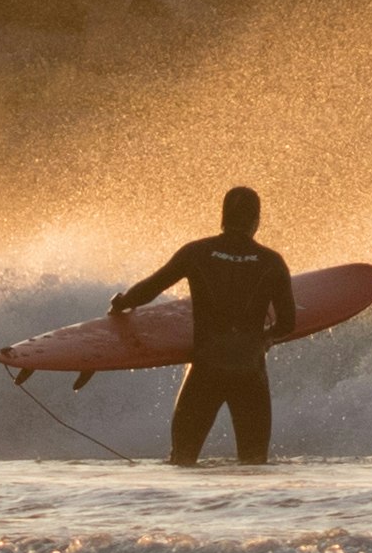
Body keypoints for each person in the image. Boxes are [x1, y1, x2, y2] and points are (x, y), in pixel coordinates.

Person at [114, 185, 300, 468]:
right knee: (253, 465)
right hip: (250, 372)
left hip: (207, 370)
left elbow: (150, 289)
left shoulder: (197, 253)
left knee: (182, 462)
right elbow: (287, 323)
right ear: (256, 220)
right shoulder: (271, 262)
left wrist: (121, 303)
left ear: (223, 217)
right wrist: (265, 338)